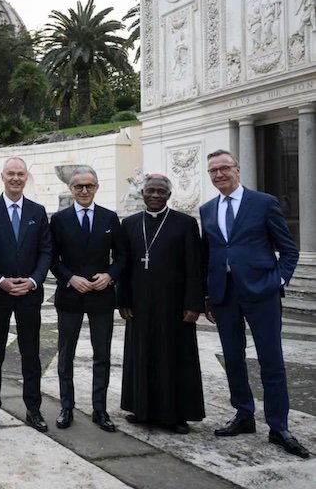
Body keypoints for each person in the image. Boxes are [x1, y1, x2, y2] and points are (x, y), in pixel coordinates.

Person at [200, 150, 309, 459]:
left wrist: (278, 280)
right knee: (233, 358)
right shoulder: (207, 209)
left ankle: (278, 425)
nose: (219, 175)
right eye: (213, 171)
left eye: (224, 168)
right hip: (224, 296)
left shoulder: (264, 203)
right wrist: (207, 296)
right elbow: (207, 256)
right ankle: (243, 414)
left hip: (262, 293)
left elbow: (289, 250)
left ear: (238, 168)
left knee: (270, 360)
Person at [118, 174, 205, 434]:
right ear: (142, 194)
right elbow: (123, 265)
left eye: (160, 192)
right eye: (150, 191)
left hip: (174, 305)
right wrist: (122, 300)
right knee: (141, 354)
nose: (155, 195)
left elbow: (194, 267)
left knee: (174, 357)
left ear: (169, 195)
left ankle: (175, 415)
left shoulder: (185, 224)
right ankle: (141, 409)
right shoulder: (130, 224)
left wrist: (194, 304)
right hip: (140, 304)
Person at [49, 166, 126, 432]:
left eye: (89, 186)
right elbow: (51, 258)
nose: (84, 191)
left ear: (96, 187)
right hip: (70, 296)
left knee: (102, 354)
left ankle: (100, 409)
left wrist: (110, 275)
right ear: (71, 189)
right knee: (65, 354)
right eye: (79, 186)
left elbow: (122, 256)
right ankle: (66, 407)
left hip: (101, 296)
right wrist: (70, 278)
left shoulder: (109, 218)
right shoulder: (59, 220)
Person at [0, 157, 52, 433]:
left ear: (26, 177)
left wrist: (33, 281)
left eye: (20, 174)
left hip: (29, 294)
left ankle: (33, 409)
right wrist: (0, 281)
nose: (15, 178)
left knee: (31, 353)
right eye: (11, 173)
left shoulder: (38, 211)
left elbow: (46, 250)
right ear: (2, 176)